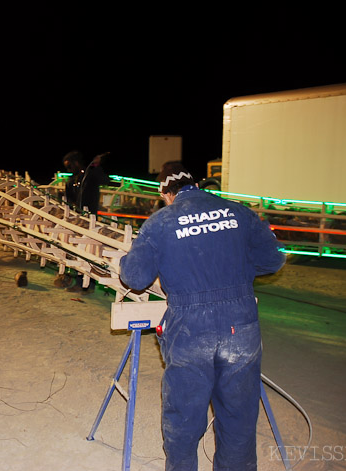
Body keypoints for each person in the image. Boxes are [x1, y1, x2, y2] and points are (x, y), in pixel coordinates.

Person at [118, 167, 285, 471]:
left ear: (166, 194)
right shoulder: (239, 212)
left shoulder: (161, 222)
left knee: (183, 416)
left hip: (189, 328)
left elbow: (136, 277)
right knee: (238, 416)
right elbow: (273, 259)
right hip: (240, 326)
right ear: (195, 184)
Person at [58, 150, 108, 294]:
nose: (69, 170)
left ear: (77, 163)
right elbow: (70, 200)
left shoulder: (90, 175)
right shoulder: (72, 180)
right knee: (76, 250)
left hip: (89, 219)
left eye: (70, 166)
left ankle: (87, 285)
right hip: (77, 220)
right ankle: (78, 281)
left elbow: (105, 180)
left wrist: (97, 166)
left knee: (88, 251)